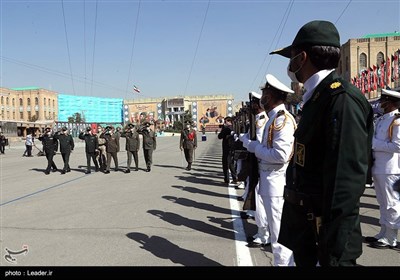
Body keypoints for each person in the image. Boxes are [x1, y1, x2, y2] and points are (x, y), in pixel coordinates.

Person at [270, 20, 374, 266]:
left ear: (302, 58)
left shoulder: (340, 100)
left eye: (292, 57)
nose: (290, 64)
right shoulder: (318, 97)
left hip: (324, 237)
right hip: (309, 230)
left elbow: (344, 183)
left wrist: (329, 250)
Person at [240, 75, 296, 266]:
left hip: (276, 181)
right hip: (268, 178)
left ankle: (284, 264)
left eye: (264, 93)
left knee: (278, 230)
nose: (261, 97)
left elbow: (281, 155)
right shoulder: (273, 118)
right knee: (274, 229)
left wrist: (253, 147)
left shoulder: (282, 120)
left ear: (271, 96)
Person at [366, 88, 400, 249]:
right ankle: (383, 232)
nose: (381, 103)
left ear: (391, 103)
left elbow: (397, 146)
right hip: (378, 167)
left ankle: (391, 238)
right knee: (382, 202)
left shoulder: (397, 120)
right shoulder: (382, 119)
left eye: (384, 101)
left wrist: (373, 144)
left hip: (390, 169)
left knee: (391, 204)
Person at [239, 91, 270, 247]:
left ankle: (264, 234)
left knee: (261, 199)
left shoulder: (262, 121)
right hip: (257, 163)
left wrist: (246, 141)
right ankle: (262, 231)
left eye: (252, 104)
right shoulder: (258, 120)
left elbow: (256, 142)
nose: (250, 106)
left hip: (262, 164)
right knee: (257, 197)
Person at [218, 117, 237, 184]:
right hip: (233, 148)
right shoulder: (235, 127)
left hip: (226, 148)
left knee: (226, 164)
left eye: (225, 121)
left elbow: (219, 136)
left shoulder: (226, 129)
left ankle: (227, 179)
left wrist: (223, 129)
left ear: (228, 121)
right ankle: (235, 178)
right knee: (231, 164)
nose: (224, 123)